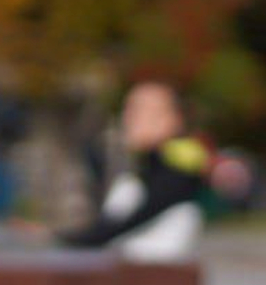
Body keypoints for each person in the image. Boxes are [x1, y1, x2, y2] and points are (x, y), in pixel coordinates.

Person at [54, 80, 209, 262]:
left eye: (141, 110)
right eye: (127, 109)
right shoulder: (141, 170)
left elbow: (130, 220)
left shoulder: (180, 164)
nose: (128, 118)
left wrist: (76, 239)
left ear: (174, 119)